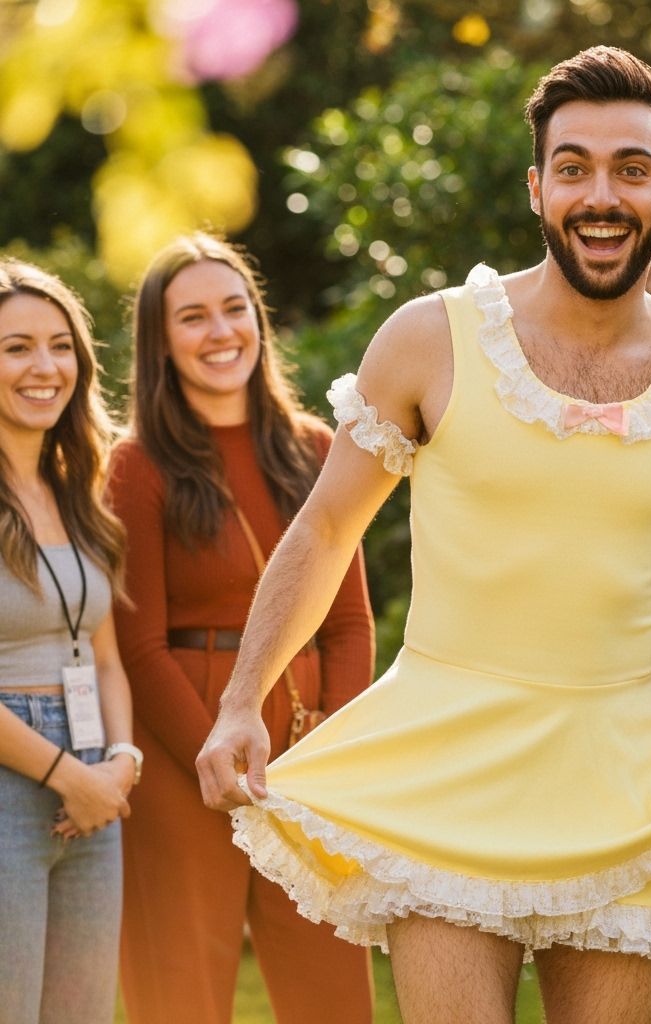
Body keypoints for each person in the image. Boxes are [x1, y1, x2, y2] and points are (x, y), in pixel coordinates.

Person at [197, 47, 651, 1024]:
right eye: (573, 167)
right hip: (447, 762)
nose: (599, 195)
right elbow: (325, 531)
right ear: (536, 188)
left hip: (620, 777)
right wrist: (241, 702)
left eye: (629, 168)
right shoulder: (430, 339)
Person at [108, 234, 375, 1024]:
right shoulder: (135, 465)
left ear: (259, 320)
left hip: (305, 758)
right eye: (192, 317)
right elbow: (138, 644)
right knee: (181, 996)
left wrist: (326, 749)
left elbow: (349, 623)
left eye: (234, 309)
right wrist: (215, 752)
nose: (220, 331)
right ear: (160, 342)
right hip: (181, 757)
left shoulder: (318, 448)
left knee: (331, 995)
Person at [0, 259, 138, 1023]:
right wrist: (67, 775)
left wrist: (119, 762)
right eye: (16, 348)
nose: (45, 367)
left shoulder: (78, 488)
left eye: (60, 346)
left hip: (94, 781)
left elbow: (106, 658)